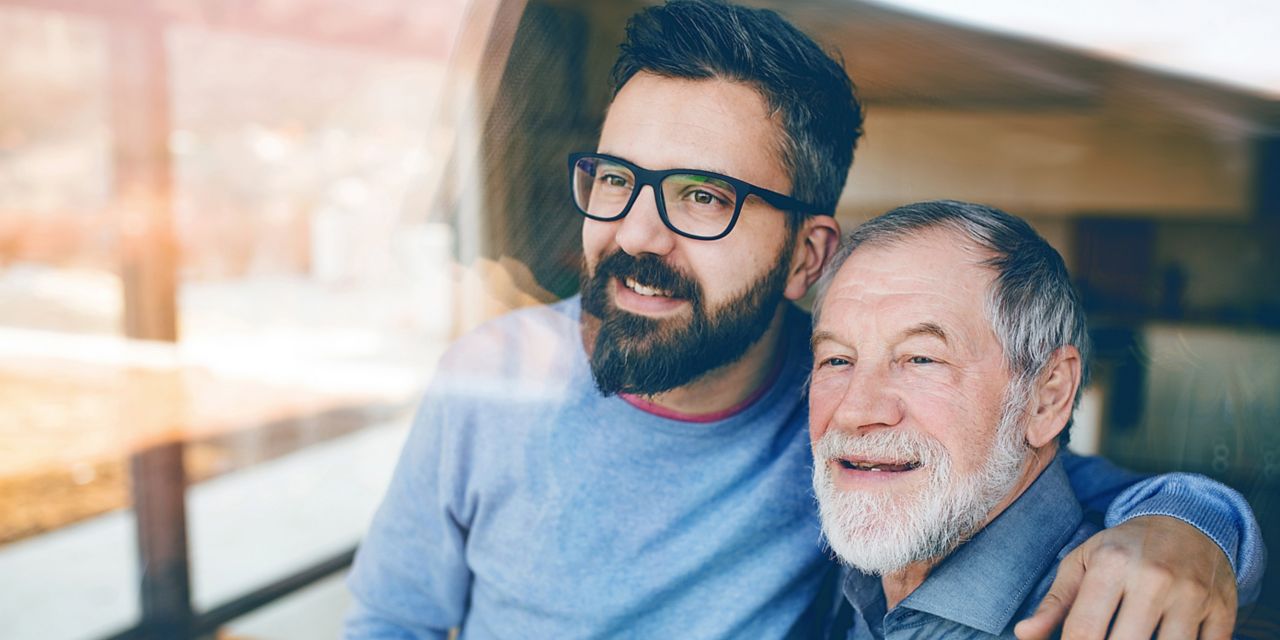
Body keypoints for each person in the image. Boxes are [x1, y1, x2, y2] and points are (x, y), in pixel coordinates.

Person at [345, 2, 1263, 638]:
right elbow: (394, 620)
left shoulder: (839, 412)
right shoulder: (488, 381)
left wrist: (1194, 529)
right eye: (617, 180)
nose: (636, 232)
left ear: (807, 258)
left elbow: (1064, 482)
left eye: (702, 197)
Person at [809, 200, 1249, 639]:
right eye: (836, 360)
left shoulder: (1124, 621)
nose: (854, 410)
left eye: (922, 359)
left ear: (1047, 398)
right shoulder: (852, 561)